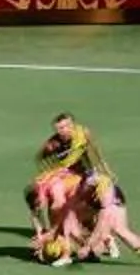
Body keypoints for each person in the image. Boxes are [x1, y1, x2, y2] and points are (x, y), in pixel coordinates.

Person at [29, 112, 139, 264]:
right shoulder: (53, 146)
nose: (64, 130)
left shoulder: (83, 137)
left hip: (110, 201)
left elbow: (96, 152)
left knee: (120, 231)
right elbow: (41, 159)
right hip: (89, 194)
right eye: (59, 128)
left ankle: (93, 246)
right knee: (69, 218)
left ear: (73, 125)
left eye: (67, 126)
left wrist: (87, 247)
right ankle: (72, 250)